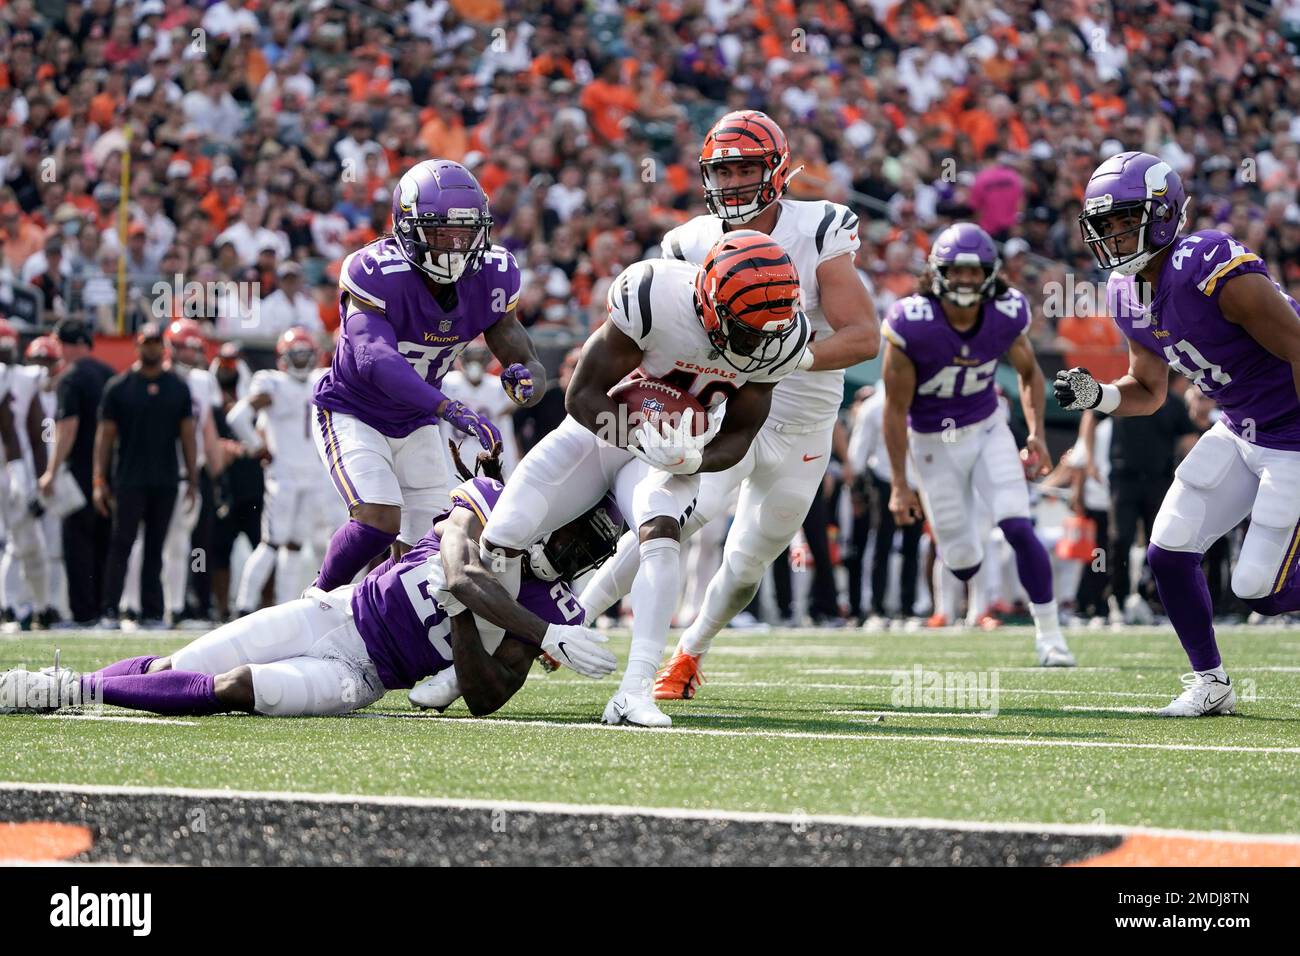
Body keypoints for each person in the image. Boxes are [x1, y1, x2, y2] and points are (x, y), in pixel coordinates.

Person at [576, 110, 880, 697]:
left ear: (778, 171)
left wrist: (784, 358)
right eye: (724, 171)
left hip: (801, 427)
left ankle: (690, 653)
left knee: (746, 565)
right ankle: (570, 622)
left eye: (746, 169)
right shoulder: (688, 242)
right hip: (725, 411)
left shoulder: (818, 229)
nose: (734, 182)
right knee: (666, 521)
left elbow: (863, 335)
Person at [482, 230, 813, 728]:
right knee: (503, 534)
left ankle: (635, 691)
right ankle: (471, 661)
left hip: (674, 448)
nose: (757, 342)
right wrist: (638, 436)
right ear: (707, 302)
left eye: (767, 330)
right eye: (745, 329)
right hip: (602, 430)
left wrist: (691, 460)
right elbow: (582, 396)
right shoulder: (654, 295)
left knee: (661, 537)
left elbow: (742, 433)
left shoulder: (779, 337)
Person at [1, 455, 622, 719]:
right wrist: (533, 629)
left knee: (235, 687)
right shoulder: (490, 501)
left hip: (367, 675)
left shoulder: (560, 603)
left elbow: (488, 696)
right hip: (338, 613)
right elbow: (460, 571)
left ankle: (63, 690)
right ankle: (70, 688)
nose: (580, 554)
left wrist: (466, 620)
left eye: (596, 548)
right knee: (180, 662)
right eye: (580, 536)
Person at [1056, 150, 1300, 716]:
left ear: (1164, 213)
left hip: (1292, 433)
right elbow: (1148, 388)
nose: (1114, 236)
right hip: (1239, 428)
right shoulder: (1123, 291)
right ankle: (1211, 682)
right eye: (1105, 225)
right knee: (1168, 553)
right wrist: (1102, 397)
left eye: (1125, 219)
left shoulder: (1207, 262)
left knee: (1258, 589)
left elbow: (1295, 345)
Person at [310, 158, 547, 590]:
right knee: (378, 520)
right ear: (407, 228)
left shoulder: (494, 273)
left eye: (465, 233)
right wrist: (449, 408)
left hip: (415, 418)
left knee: (426, 545)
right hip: (353, 410)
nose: (456, 247)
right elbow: (374, 358)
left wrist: (529, 374)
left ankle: (369, 610)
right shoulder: (376, 271)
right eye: (441, 234)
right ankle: (315, 600)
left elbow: (511, 336)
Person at [881, 222, 1076, 667]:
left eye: (975, 271)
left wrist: (1036, 434)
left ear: (990, 273)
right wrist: (898, 482)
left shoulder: (1006, 312)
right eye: (958, 271)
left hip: (987, 427)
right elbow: (895, 409)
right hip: (932, 440)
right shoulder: (912, 322)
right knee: (962, 558)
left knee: (1017, 525)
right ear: (938, 272)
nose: (967, 280)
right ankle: (960, 596)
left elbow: (1029, 374)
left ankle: (1051, 637)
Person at [94, 324, 197, 628]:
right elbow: (105, 437)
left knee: (156, 546)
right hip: (129, 478)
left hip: (165, 478)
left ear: (162, 346)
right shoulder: (120, 386)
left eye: (156, 343)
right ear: (137, 346)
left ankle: (152, 611)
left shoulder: (177, 386)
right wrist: (99, 479)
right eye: (146, 343)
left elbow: (188, 435)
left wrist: (191, 478)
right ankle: (112, 610)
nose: (151, 348)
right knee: (122, 543)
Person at [227, 327, 326, 612]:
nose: (301, 361)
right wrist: (258, 446)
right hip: (283, 476)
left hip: (312, 474)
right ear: (284, 357)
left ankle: (282, 608)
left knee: (295, 545)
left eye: (306, 355)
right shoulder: (273, 383)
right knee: (271, 543)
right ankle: (244, 606)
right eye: (296, 356)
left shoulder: (318, 380)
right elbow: (238, 417)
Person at [37, 318, 113, 626]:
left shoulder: (70, 379)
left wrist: (51, 472)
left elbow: (68, 429)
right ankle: (104, 608)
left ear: (65, 345)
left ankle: (84, 613)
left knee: (77, 543)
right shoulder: (110, 374)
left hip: (80, 470)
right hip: (110, 471)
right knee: (105, 542)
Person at [0, 329, 57, 630]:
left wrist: (34, 478)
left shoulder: (24, 379)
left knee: (26, 542)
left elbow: (33, 434)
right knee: (18, 543)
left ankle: (38, 608)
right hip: (13, 468)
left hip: (13, 469)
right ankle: (16, 607)